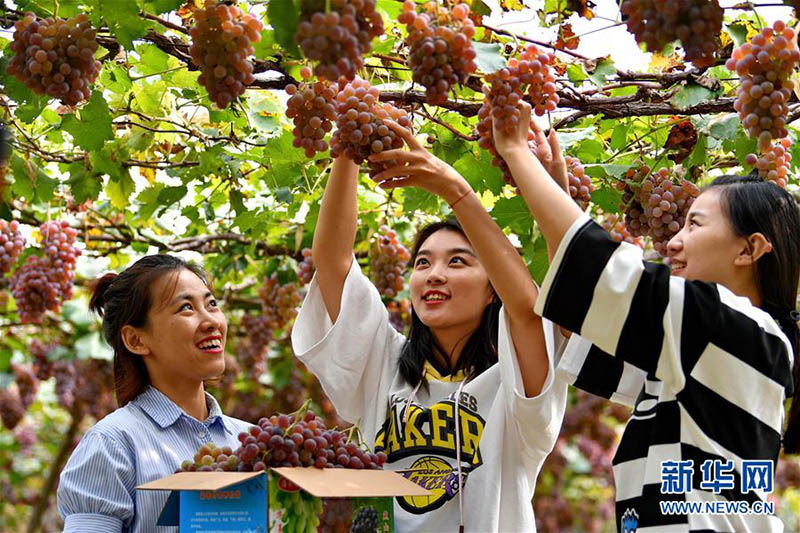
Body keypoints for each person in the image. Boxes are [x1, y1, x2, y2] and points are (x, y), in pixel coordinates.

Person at [493, 101, 800, 531]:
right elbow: (580, 313)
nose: (673, 242)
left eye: (695, 225)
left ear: (749, 249)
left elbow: (596, 272)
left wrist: (514, 151)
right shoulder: (698, 356)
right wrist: (554, 185)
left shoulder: (734, 328)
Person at [291, 127, 568, 532]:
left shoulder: (514, 385)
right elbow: (333, 262)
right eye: (423, 262)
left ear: (493, 288)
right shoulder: (384, 365)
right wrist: (353, 138)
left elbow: (527, 311)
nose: (434, 274)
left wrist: (455, 190)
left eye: (457, 262)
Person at [57, 255, 252, 533]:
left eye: (211, 304)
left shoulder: (250, 440)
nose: (211, 321)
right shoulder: (112, 445)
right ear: (136, 339)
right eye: (186, 308)